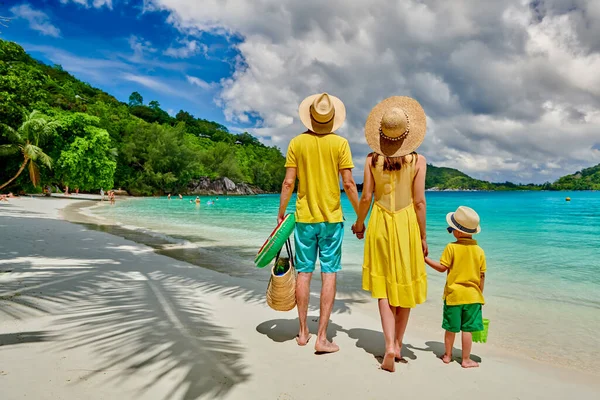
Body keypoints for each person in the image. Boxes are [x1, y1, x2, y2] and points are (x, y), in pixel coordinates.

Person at [278, 92, 360, 354]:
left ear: (310, 117)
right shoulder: (340, 144)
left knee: (304, 273)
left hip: (304, 219)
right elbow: (348, 183)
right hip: (332, 219)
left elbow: (289, 182)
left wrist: (281, 213)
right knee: (329, 274)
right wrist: (361, 216)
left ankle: (302, 332)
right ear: (332, 118)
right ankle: (321, 337)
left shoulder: (296, 143)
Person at [352, 96, 428, 372]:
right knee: (405, 285)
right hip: (406, 222)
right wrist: (422, 236)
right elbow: (419, 202)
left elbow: (367, 197)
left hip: (381, 221)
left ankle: (389, 347)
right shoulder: (418, 160)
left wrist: (360, 223)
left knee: (384, 288)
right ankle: (398, 343)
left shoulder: (372, 160)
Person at [425, 206, 486, 369]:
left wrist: (425, 259)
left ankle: (447, 355)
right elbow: (482, 276)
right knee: (468, 330)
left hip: (454, 296)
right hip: (473, 297)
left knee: (451, 328)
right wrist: (479, 294)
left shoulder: (451, 247)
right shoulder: (479, 251)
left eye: (451, 229)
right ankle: (466, 360)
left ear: (457, 232)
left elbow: (442, 268)